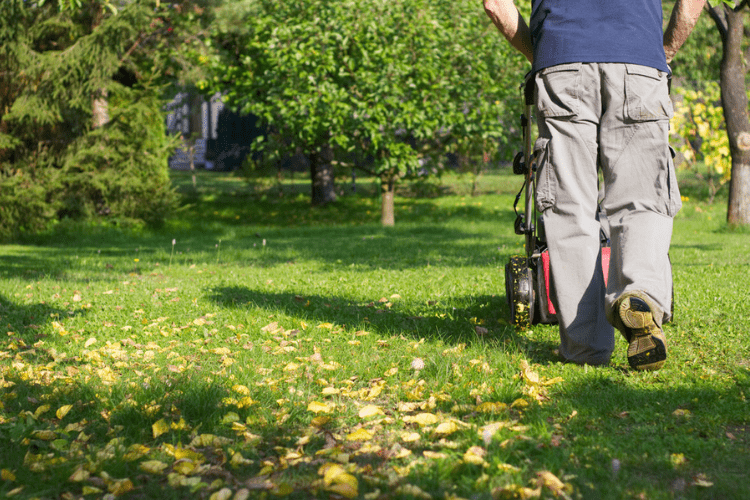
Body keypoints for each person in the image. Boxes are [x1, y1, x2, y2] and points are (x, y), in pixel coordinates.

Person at [484, 0, 706, 370]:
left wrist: (542, 53)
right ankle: (640, 295)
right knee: (643, 199)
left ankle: (586, 349)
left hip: (561, 60)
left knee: (571, 211)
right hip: (639, 58)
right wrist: (662, 50)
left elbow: (495, 5)